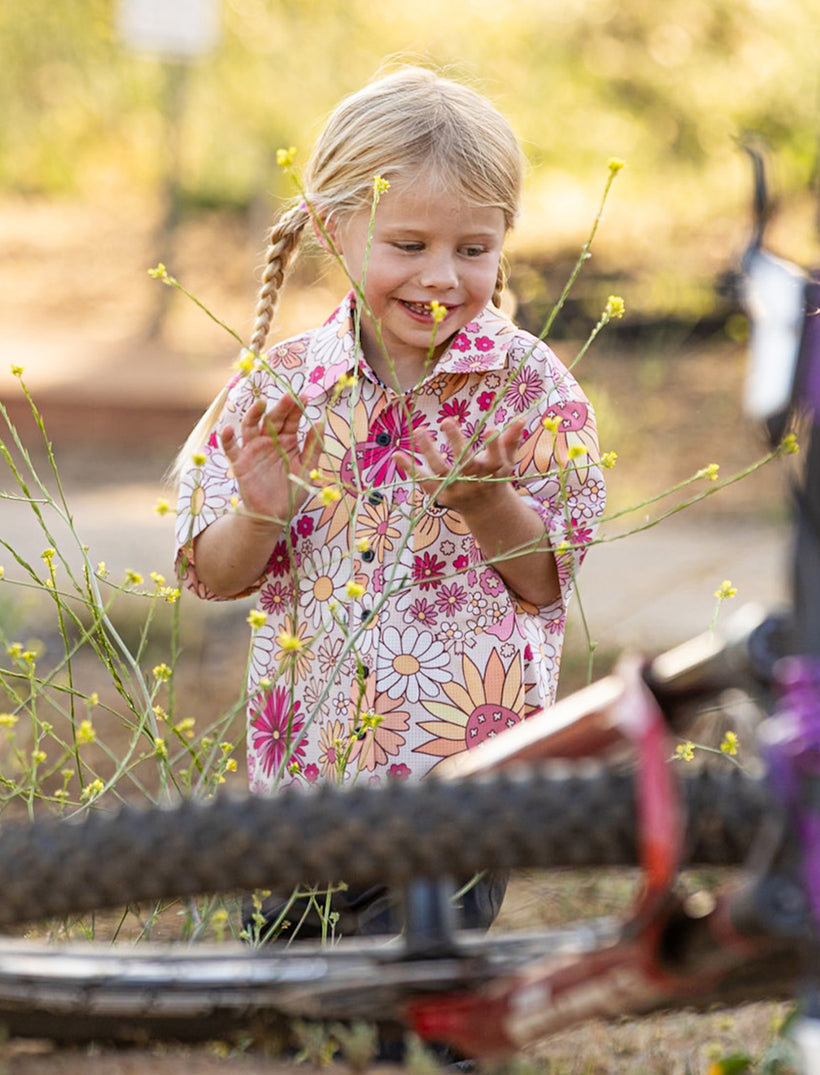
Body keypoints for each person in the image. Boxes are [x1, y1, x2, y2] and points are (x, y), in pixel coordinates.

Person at [173, 66, 606, 939]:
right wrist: (261, 511)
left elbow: (545, 581)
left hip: (458, 793)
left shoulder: (531, 389)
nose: (442, 277)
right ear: (337, 229)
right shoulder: (283, 386)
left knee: (410, 1025)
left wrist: (486, 506)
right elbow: (210, 577)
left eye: (473, 249)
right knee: (289, 1024)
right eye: (408, 245)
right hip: (300, 787)